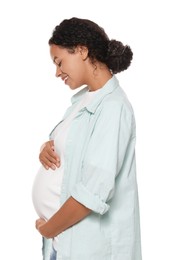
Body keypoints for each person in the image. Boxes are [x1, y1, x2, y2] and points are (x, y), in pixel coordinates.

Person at [32, 17, 142, 260]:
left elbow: (93, 192)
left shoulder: (114, 107)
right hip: (64, 244)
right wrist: (45, 148)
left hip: (90, 249)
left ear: (81, 50)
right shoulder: (84, 101)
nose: (57, 72)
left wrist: (49, 229)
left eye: (59, 62)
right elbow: (69, 150)